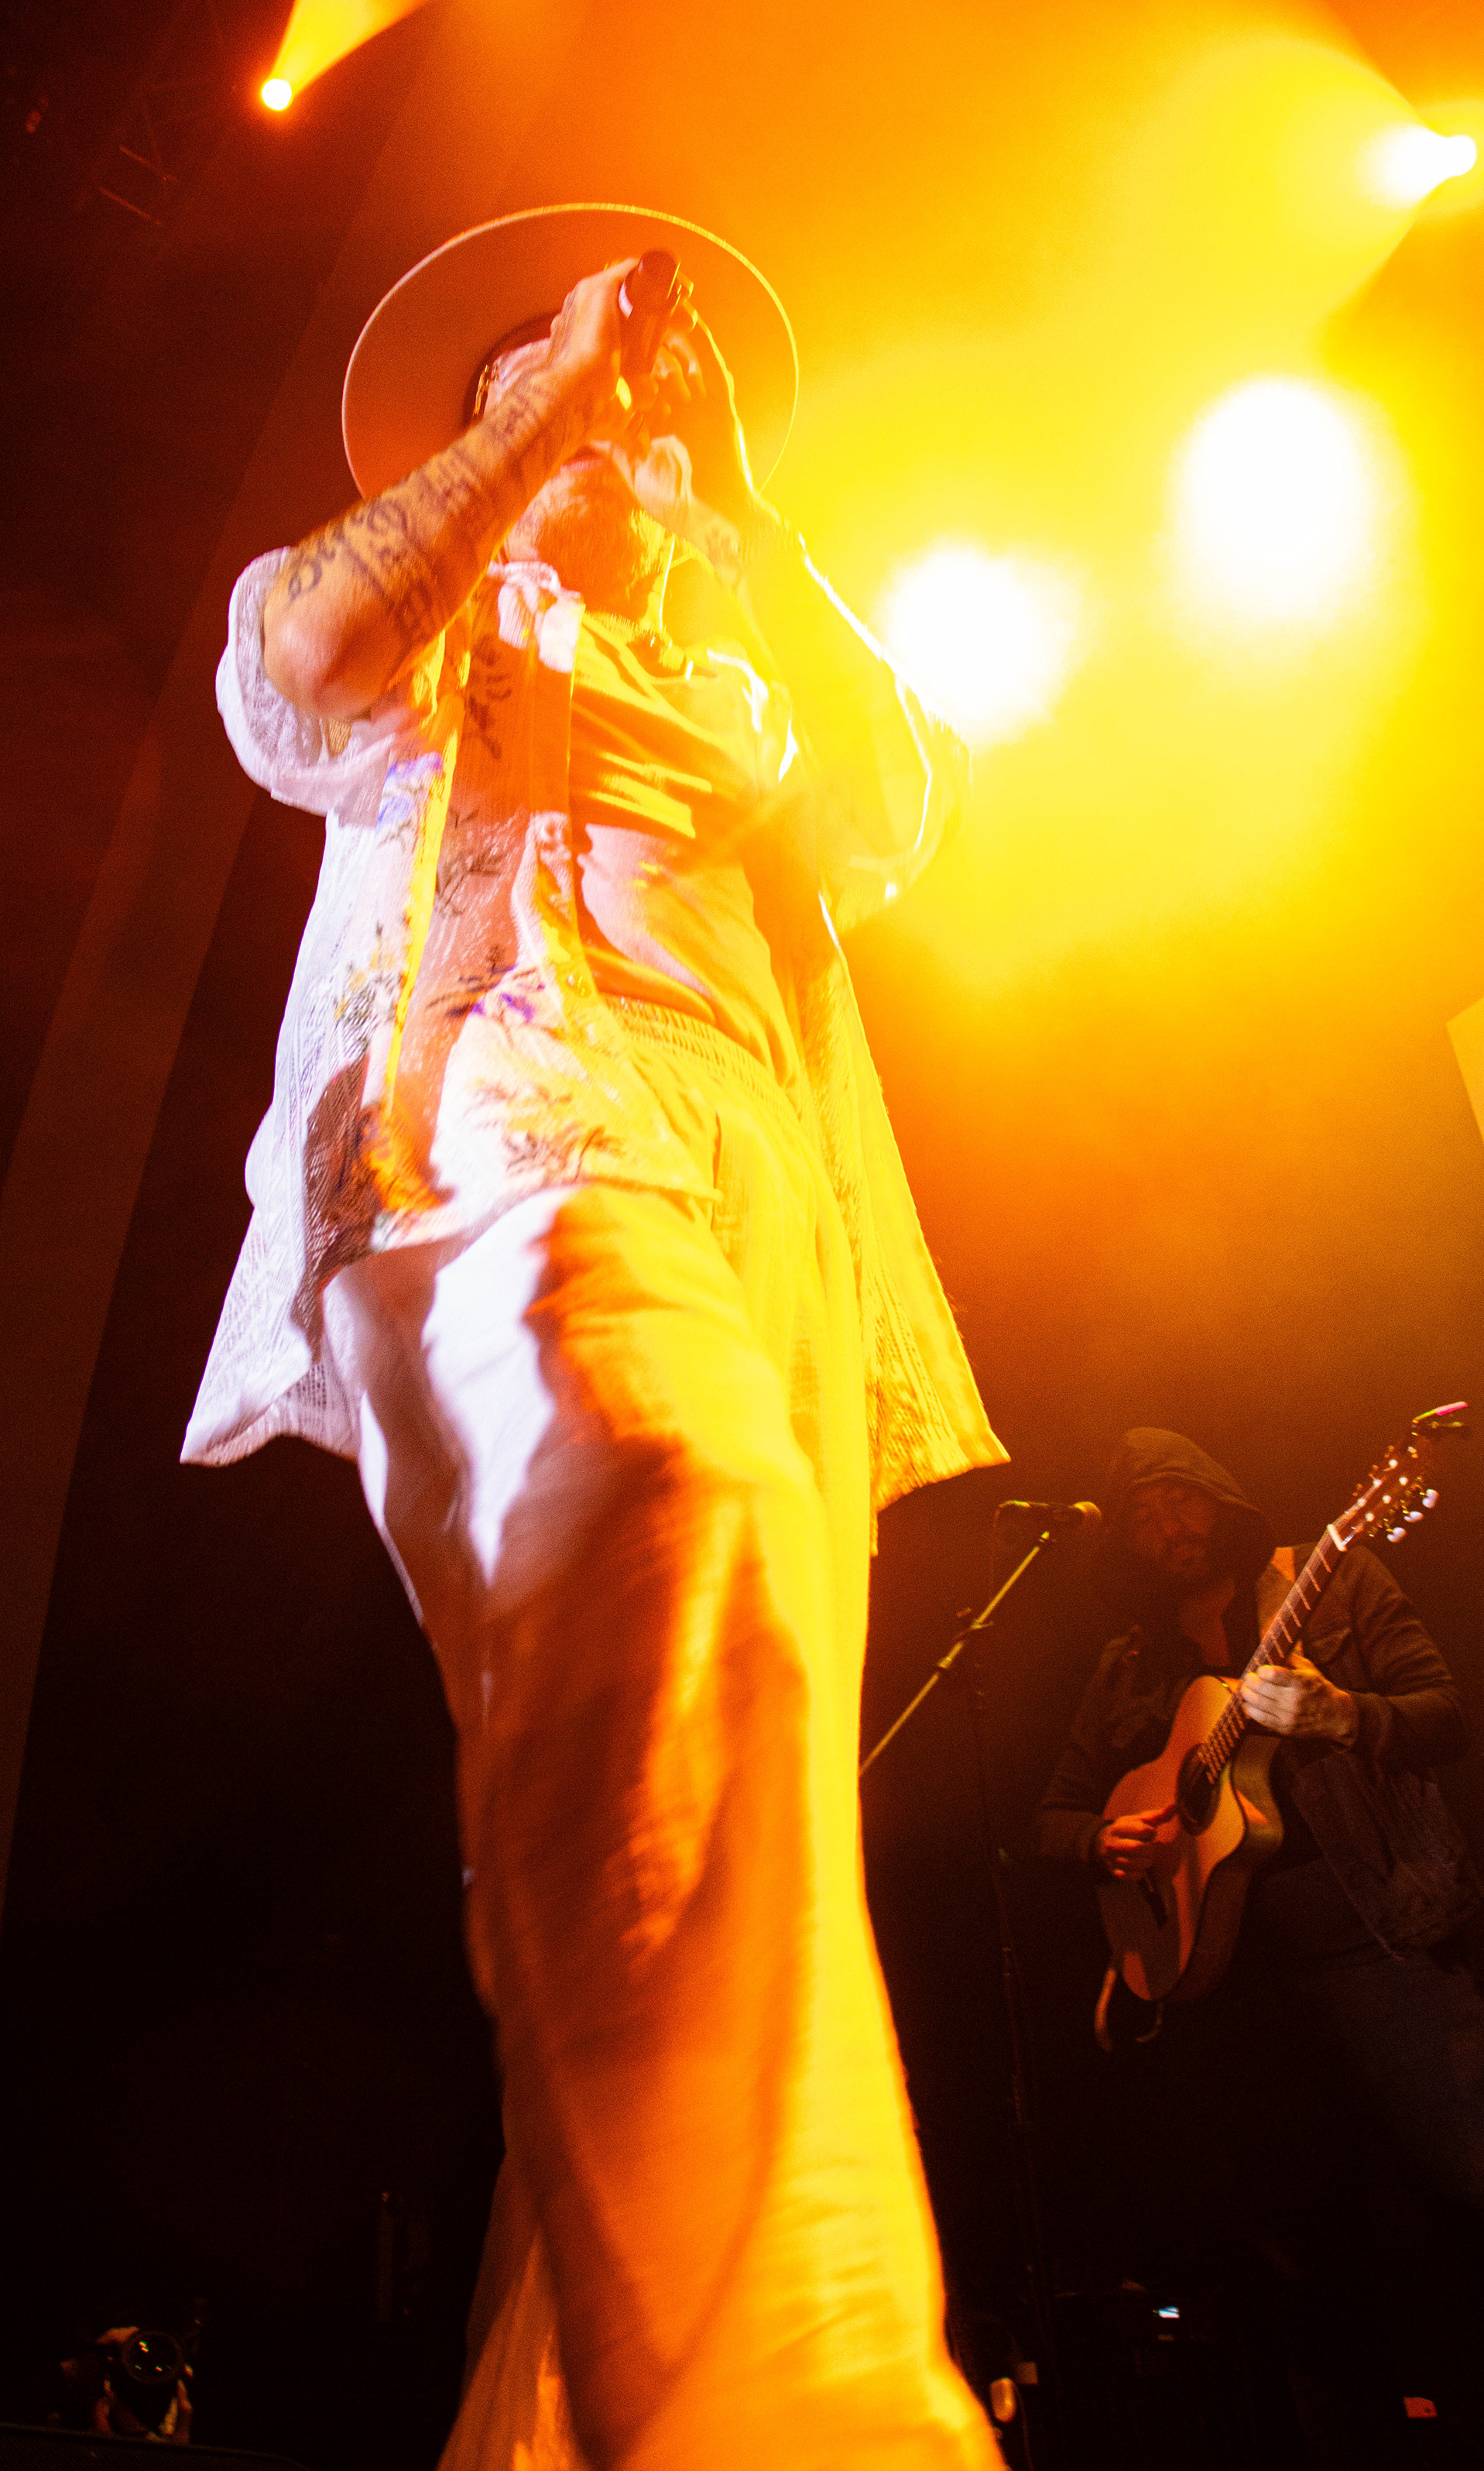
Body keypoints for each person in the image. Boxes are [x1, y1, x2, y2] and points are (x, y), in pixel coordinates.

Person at [183, 204, 1006, 2471]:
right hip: (495, 1136)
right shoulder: (429, 632)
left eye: (641, 413)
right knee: (662, 1497)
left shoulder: (744, 688)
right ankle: (814, 2414)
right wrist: (539, 400)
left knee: (722, 1800)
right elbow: (293, 663)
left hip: (765, 1211)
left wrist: (736, 494)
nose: (622, 429)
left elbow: (898, 806)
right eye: (564, 394)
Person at [1037, 1427, 1484, 2462]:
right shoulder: (1129, 1664)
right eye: (1142, 1518)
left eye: (1180, 1500)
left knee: (1466, 2194)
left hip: (1382, 1946)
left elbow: (1445, 1717)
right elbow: (1053, 1815)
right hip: (1237, 1995)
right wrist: (1101, 1841)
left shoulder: (1331, 1581)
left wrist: (1341, 1715)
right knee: (1304, 2264)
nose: (1168, 1528)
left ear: (1221, 1497)